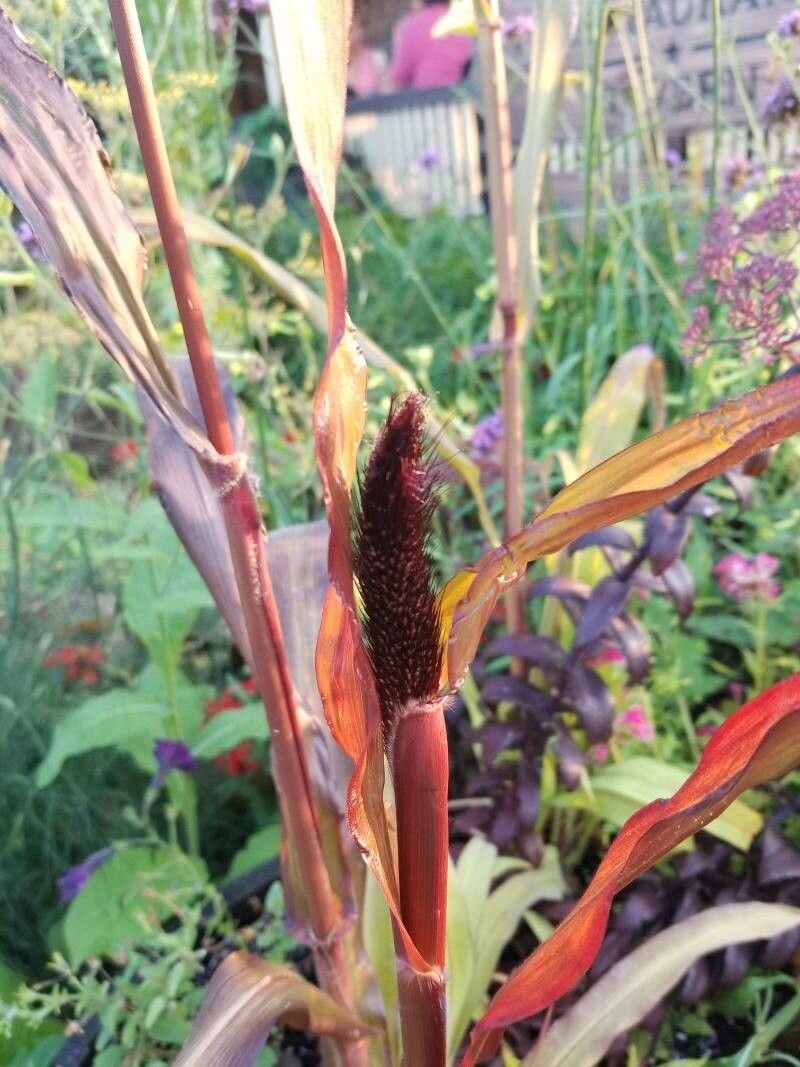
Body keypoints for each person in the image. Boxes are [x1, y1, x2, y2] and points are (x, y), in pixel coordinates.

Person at [390, 0, 472, 91]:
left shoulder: (412, 26)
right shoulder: (464, 20)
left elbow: (400, 77)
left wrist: (397, 43)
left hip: (429, 99)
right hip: (466, 95)